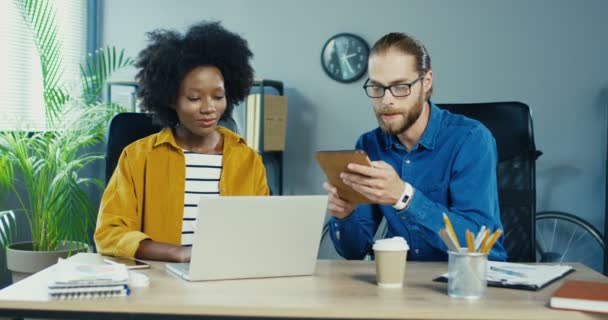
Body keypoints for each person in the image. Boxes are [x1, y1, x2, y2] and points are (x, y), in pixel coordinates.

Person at [95, 21, 269, 262]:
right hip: (159, 283)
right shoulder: (137, 157)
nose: (209, 108)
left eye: (218, 96)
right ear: (170, 99)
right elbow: (109, 233)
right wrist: (178, 253)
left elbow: (263, 231)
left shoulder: (247, 159)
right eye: (194, 98)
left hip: (228, 278)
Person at [324, 32, 507, 261]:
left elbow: (479, 243)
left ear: (426, 82)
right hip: (402, 283)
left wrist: (404, 196)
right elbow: (355, 251)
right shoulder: (369, 145)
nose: (386, 101)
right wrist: (344, 216)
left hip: (470, 282)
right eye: (377, 87)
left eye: (400, 87)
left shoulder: (471, 139)